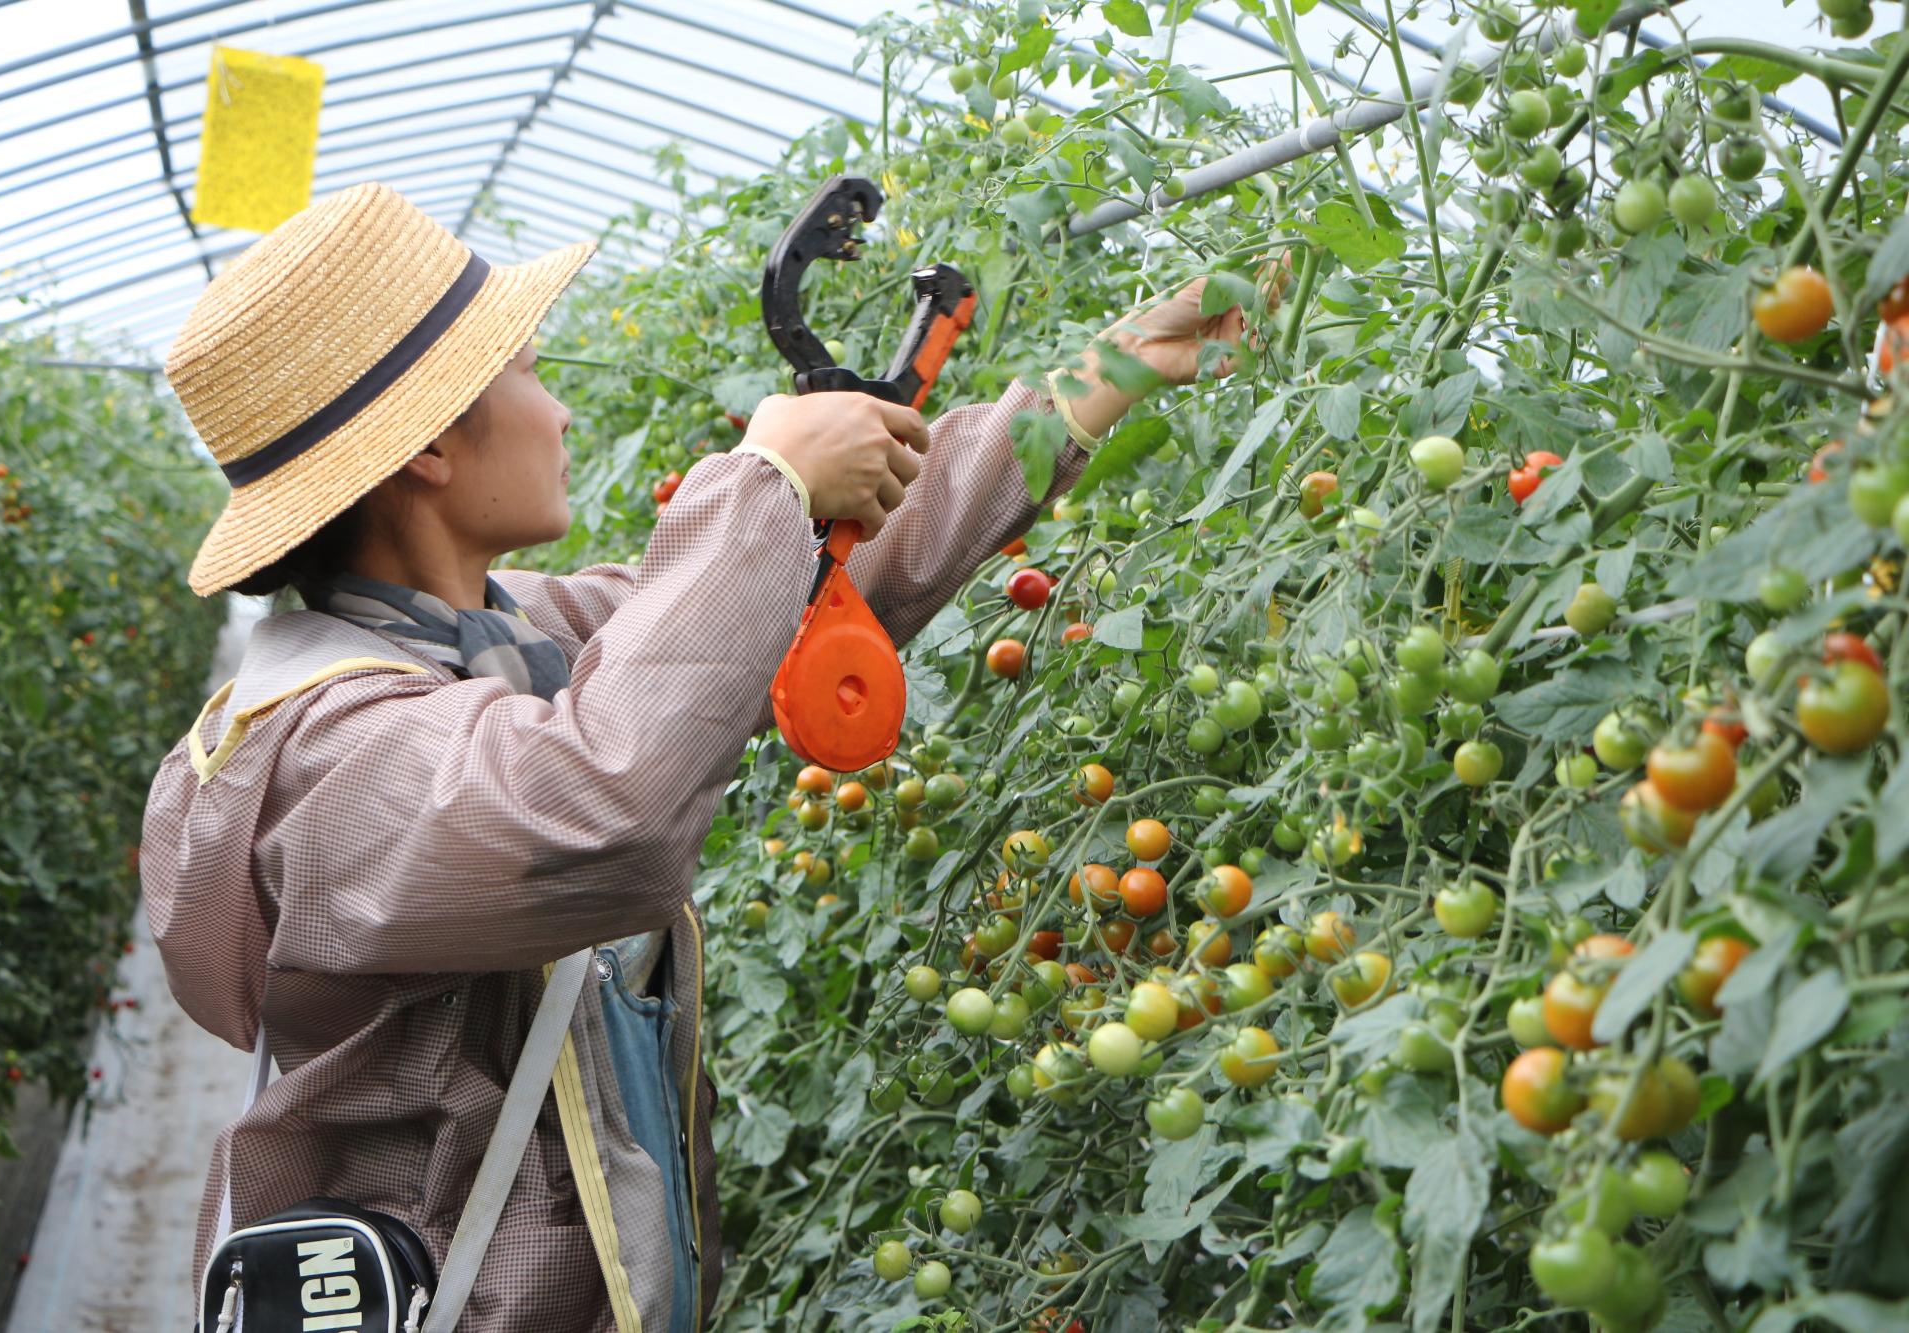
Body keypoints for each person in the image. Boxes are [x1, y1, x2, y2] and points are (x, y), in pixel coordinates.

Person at [142, 179, 1254, 1331]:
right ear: (428, 444)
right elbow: (599, 807)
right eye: (529, 370)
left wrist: (1101, 378)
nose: (560, 411)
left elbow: (768, 609)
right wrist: (762, 479)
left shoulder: (486, 638)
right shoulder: (329, 756)